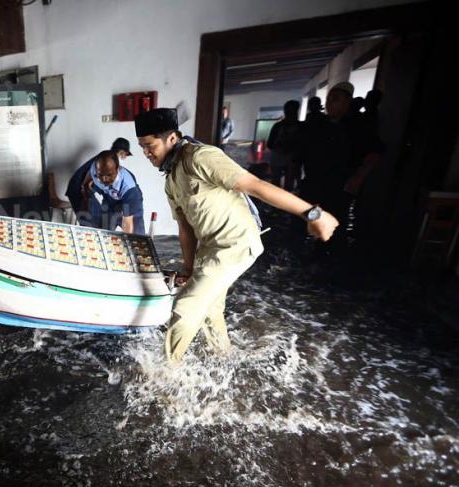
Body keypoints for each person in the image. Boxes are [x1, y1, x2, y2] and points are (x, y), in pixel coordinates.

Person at [134, 108, 338, 364]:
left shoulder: (201, 157)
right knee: (209, 309)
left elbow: (256, 186)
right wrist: (188, 268)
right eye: (142, 147)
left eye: (150, 146)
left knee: (186, 307)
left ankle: (165, 375)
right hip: (212, 249)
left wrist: (312, 213)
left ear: (172, 139)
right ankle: (224, 358)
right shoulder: (171, 179)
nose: (146, 153)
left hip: (235, 244)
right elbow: (185, 229)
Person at [295, 82, 383, 250]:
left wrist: (357, 179)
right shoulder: (317, 124)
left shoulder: (358, 126)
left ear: (348, 102)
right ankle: (301, 255)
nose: (330, 103)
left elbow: (374, 154)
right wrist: (297, 175)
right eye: (329, 98)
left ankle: (328, 257)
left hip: (339, 186)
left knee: (335, 224)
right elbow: (301, 152)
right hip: (313, 183)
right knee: (305, 218)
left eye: (336, 99)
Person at [79, 150, 145, 234]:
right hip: (110, 198)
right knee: (104, 231)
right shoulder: (94, 170)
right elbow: (85, 185)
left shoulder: (129, 189)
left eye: (109, 175)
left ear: (118, 169)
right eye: (101, 175)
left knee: (137, 238)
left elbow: (127, 223)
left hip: (128, 197)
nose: (104, 179)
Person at [66, 137, 133, 214]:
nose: (125, 158)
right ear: (121, 152)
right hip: (77, 190)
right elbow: (87, 182)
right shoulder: (105, 161)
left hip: (78, 188)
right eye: (125, 155)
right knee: (89, 220)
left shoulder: (107, 159)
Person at [266, 100, 302, 191]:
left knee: (283, 184)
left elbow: (270, 144)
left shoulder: (278, 126)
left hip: (289, 160)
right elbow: (270, 144)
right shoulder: (299, 126)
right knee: (283, 184)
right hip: (283, 159)